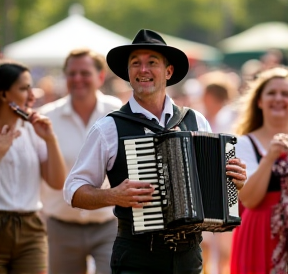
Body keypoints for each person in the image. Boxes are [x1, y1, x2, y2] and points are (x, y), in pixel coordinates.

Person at [64, 29, 247, 274]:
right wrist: (113, 195)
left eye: (152, 63)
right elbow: (73, 190)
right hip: (137, 255)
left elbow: (216, 189)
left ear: (168, 71)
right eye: (135, 64)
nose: (143, 70)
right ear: (128, 73)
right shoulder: (109, 127)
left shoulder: (196, 120)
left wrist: (234, 181)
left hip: (189, 257)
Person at [39, 48, 122, 274]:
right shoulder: (47, 117)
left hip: (109, 225)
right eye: (72, 73)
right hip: (60, 226)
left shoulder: (118, 113)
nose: (77, 79)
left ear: (100, 77)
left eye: (84, 73)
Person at [0, 62, 66, 273]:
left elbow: (57, 183)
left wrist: (50, 139)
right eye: (23, 88)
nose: (32, 95)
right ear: (3, 94)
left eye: (31, 87)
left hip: (31, 230)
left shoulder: (32, 130)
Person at [230, 66, 288, 274]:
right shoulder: (243, 143)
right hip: (260, 235)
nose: (278, 98)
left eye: (285, 93)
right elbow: (250, 199)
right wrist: (270, 157)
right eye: (271, 93)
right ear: (259, 101)